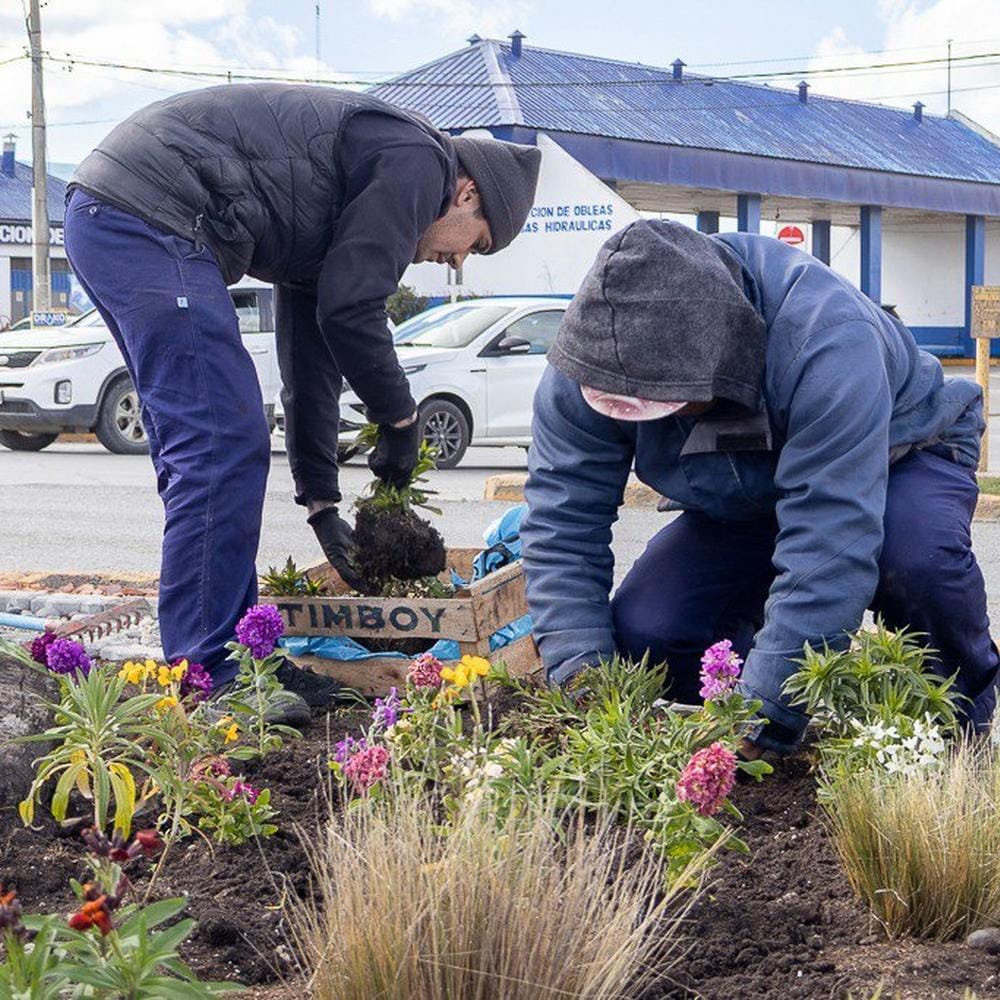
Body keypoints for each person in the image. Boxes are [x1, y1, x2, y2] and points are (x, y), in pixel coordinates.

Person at [63, 84, 540, 723]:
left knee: (210, 442)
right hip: (147, 216)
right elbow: (352, 308)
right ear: (468, 194)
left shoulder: (344, 204)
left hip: (120, 218)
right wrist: (399, 419)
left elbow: (311, 361)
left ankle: (239, 658)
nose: (455, 262)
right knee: (219, 440)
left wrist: (322, 503)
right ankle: (211, 670)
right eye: (475, 245)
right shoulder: (419, 160)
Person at [521, 219, 997, 754]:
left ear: (722, 361)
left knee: (915, 561)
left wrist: (766, 714)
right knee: (652, 629)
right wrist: (582, 674)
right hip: (746, 486)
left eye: (664, 403)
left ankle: (960, 733)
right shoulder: (588, 359)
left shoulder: (826, 340)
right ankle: (730, 733)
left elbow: (831, 542)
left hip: (900, 450)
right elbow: (562, 523)